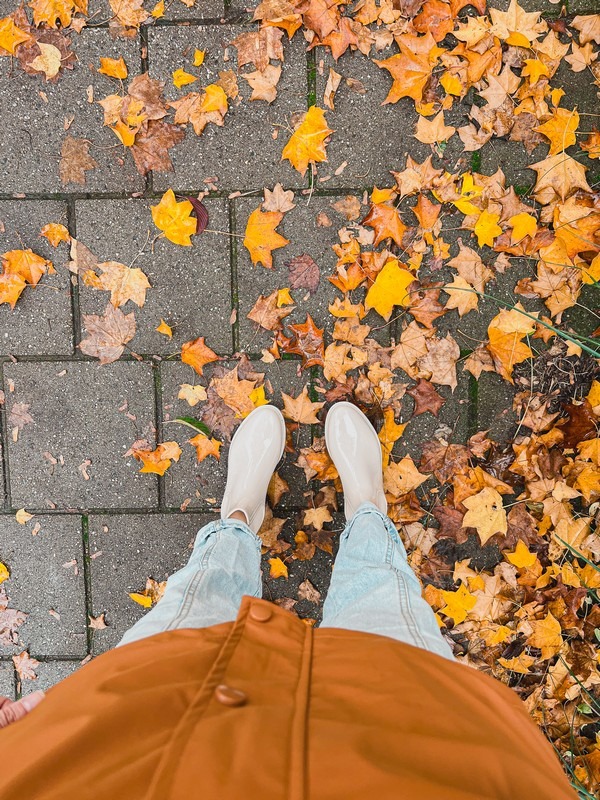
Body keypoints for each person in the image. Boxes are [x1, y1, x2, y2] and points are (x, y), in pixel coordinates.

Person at [0, 402, 577, 799]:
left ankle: (239, 516)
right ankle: (368, 512)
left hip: (128, 741)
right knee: (382, 596)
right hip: (416, 746)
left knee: (201, 595)